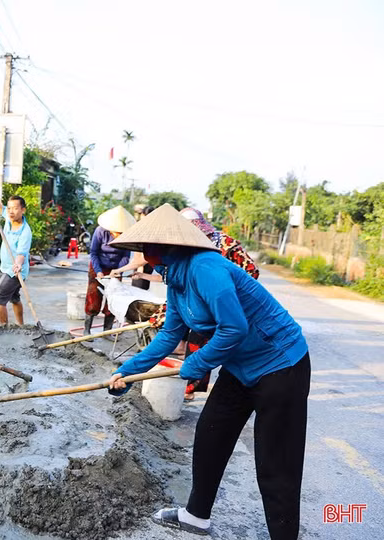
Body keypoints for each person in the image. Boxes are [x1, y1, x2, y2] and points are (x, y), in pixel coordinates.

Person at [108, 204, 310, 540]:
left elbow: (234, 328)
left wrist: (196, 365)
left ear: (166, 249)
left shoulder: (206, 268)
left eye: (148, 250)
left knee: (276, 464)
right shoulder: (176, 280)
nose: (144, 256)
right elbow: (169, 336)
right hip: (240, 367)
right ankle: (196, 516)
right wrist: (126, 373)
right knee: (211, 434)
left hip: (280, 364)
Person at [179, 207, 260, 399]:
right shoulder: (189, 248)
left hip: (229, 306)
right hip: (204, 307)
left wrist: (230, 293)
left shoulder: (226, 243)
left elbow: (252, 270)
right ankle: (191, 387)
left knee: (233, 347)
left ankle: (244, 388)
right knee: (198, 346)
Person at [0, 185, 33, 326]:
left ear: (23, 210)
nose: (11, 211)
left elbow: (22, 253)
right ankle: (20, 326)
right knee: (14, 298)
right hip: (6, 266)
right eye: (9, 208)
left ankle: (4, 329)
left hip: (15, 270)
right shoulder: (8, 216)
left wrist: (18, 264)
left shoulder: (25, 232)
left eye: (15, 208)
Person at [84, 206, 135, 335]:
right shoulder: (100, 231)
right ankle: (87, 330)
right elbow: (94, 253)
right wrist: (98, 271)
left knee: (113, 298)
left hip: (116, 268)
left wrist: (117, 271)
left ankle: (107, 330)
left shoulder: (126, 236)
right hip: (98, 266)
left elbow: (126, 256)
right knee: (93, 297)